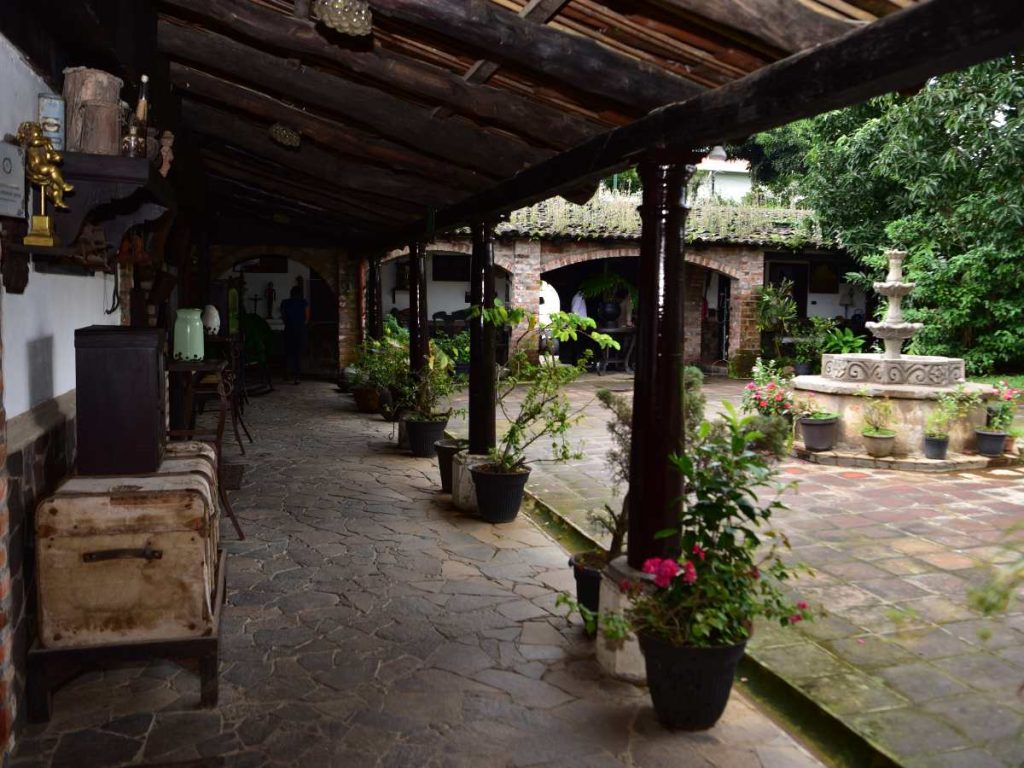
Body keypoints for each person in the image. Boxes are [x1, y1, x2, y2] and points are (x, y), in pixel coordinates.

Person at [280, 285, 309, 384]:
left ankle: (286, 374)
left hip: (288, 330)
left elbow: (283, 317)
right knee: (298, 354)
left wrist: (289, 323)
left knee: (287, 353)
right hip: (300, 330)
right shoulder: (304, 303)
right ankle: (297, 377)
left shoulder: (285, 303)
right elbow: (307, 318)